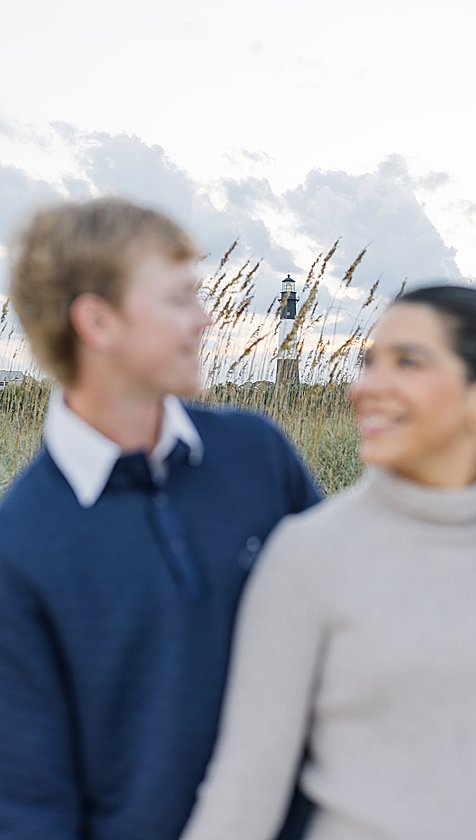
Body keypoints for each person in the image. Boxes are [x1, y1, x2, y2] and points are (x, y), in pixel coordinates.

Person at [181, 284, 476, 840]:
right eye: (368, 361)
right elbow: (245, 788)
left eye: (407, 362)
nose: (367, 388)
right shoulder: (308, 553)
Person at [0, 198, 321, 839]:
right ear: (97, 320)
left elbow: (359, 617)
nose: (204, 320)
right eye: (178, 299)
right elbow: (31, 807)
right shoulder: (17, 551)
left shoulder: (257, 454)